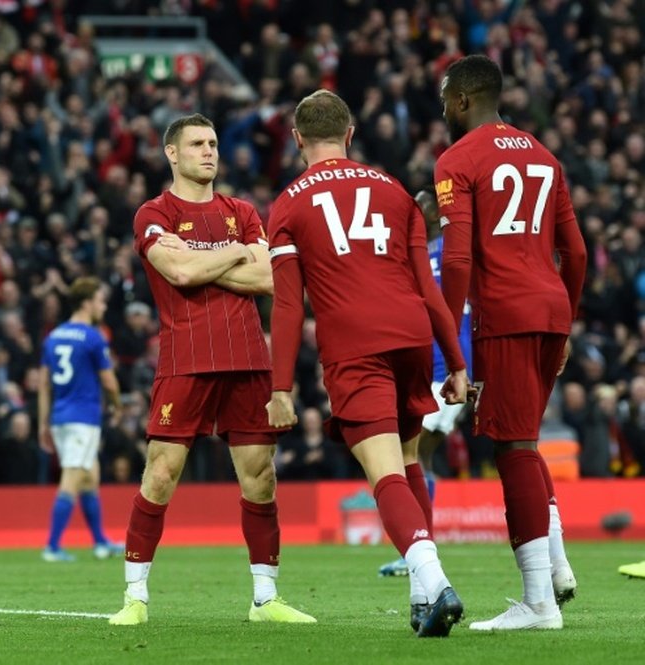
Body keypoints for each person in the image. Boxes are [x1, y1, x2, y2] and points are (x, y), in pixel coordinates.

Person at [266, 90, 470, 637]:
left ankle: (437, 581)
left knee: (382, 473)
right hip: (411, 335)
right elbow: (428, 287)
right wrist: (454, 362)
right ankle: (419, 599)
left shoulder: (288, 204)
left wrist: (280, 386)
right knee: (407, 461)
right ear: (351, 134)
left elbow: (288, 305)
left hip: (356, 345)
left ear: (297, 139)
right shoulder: (396, 191)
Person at [109, 113, 315, 626]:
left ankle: (266, 600)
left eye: (214, 143)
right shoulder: (153, 212)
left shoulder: (242, 210)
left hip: (247, 359)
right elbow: (176, 271)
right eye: (197, 144)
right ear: (172, 153)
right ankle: (135, 597)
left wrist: (208, 263)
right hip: (186, 360)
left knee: (260, 477)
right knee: (161, 474)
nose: (210, 152)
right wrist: (234, 254)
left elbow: (271, 279)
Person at [436, 55, 587, 630]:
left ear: (466, 100)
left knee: (513, 448)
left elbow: (456, 256)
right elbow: (576, 253)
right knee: (523, 441)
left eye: (447, 99)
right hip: (550, 310)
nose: (444, 109)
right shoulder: (544, 156)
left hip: (505, 314)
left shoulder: (458, 159)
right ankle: (557, 568)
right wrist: (567, 319)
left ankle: (540, 604)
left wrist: (450, 344)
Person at [378, 189, 473, 579]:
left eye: (422, 204)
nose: (416, 210)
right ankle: (421, 545)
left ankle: (420, 546)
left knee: (412, 456)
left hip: (447, 371)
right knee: (415, 456)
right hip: (435, 370)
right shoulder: (434, 253)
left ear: (436, 210)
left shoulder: (448, 251)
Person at [38, 276, 124, 562]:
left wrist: (42, 423)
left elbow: (43, 384)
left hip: (61, 417)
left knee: (90, 477)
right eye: (100, 300)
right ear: (87, 302)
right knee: (73, 477)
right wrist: (116, 406)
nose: (103, 305)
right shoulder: (93, 336)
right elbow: (109, 382)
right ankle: (52, 546)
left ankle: (100, 542)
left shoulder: (54, 336)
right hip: (82, 418)